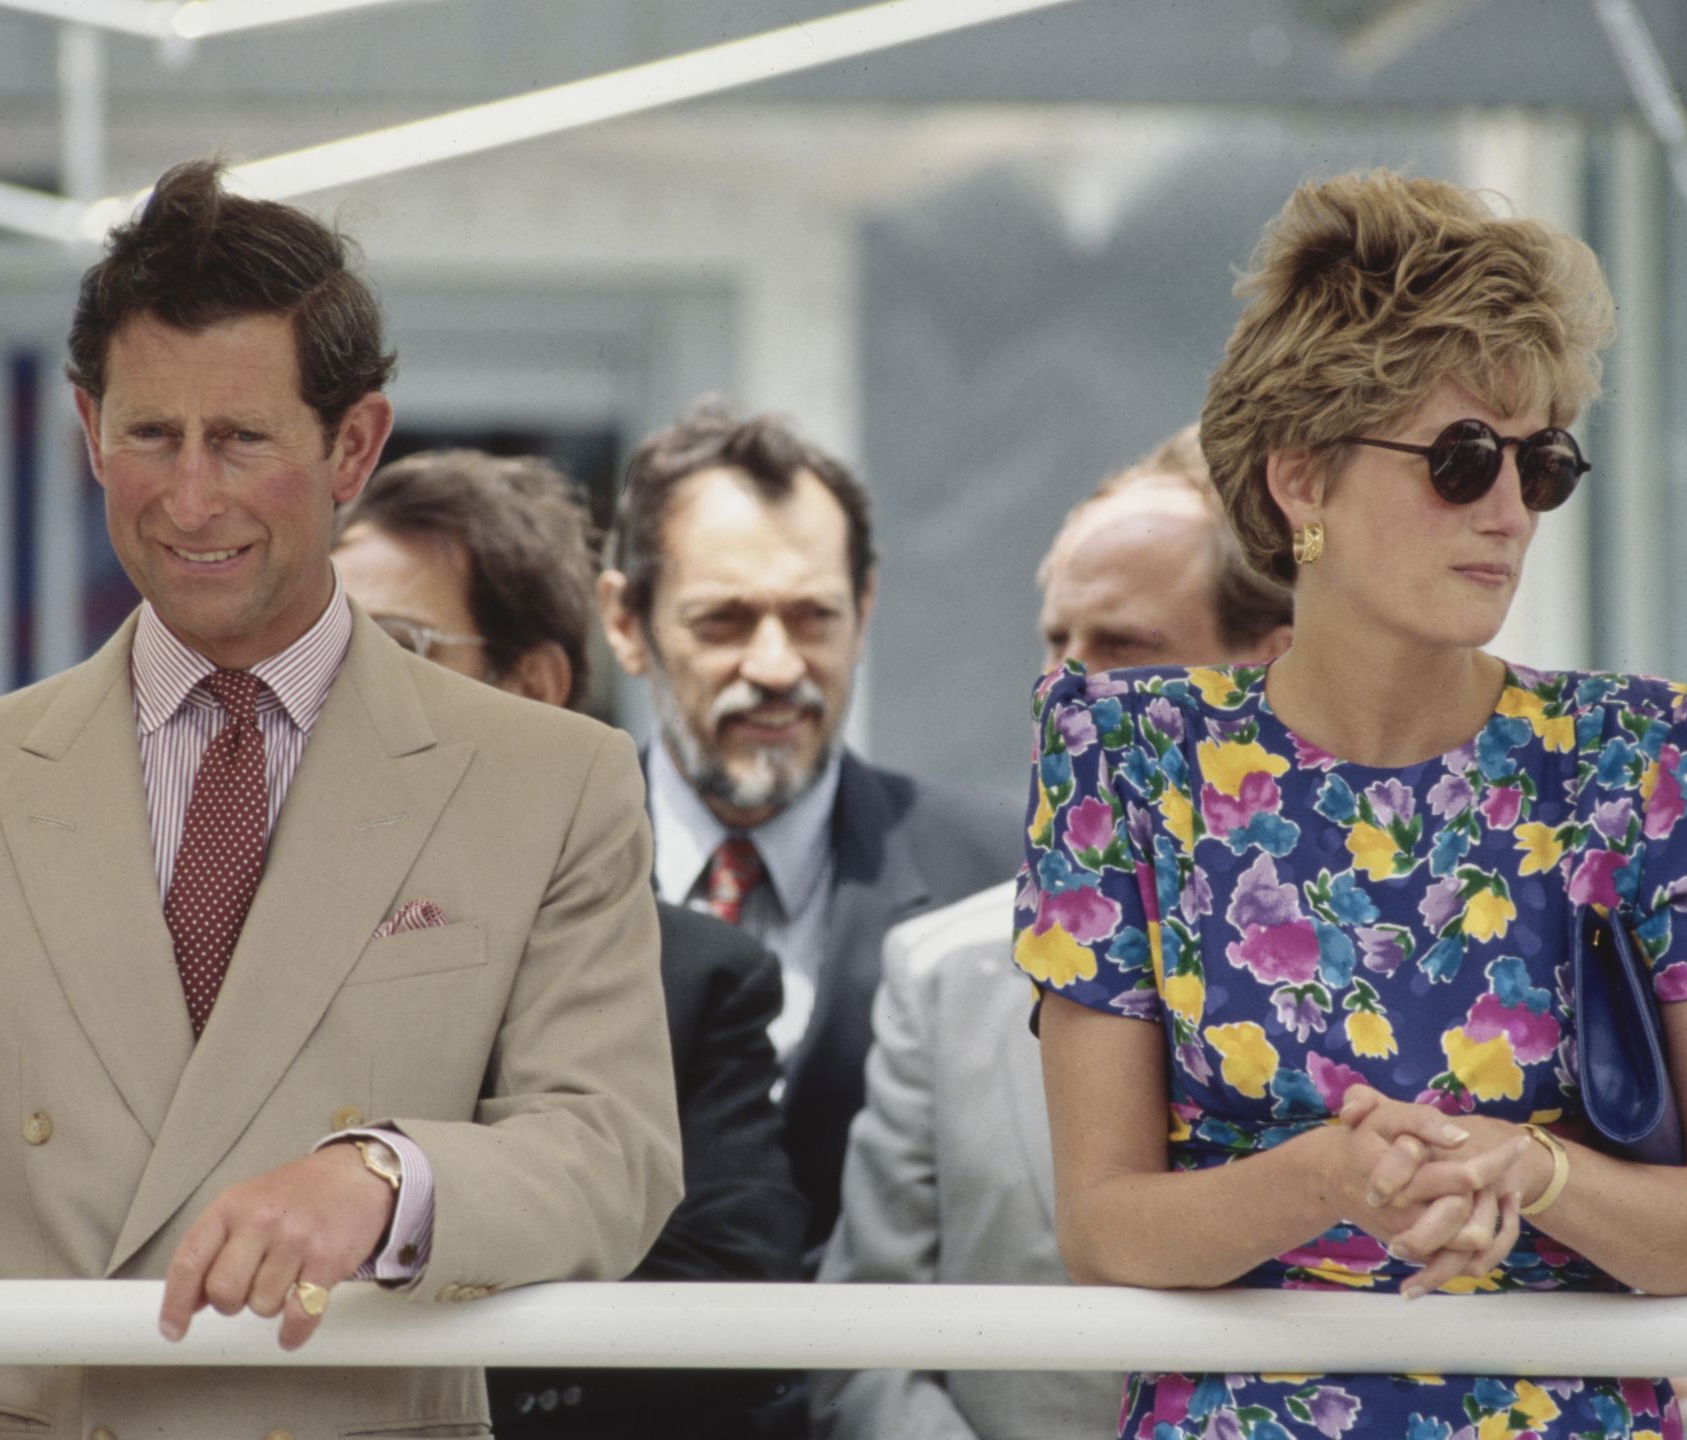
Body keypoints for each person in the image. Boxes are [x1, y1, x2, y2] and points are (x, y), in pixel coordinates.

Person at [0, 161, 682, 1440]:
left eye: (243, 439)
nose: (190, 498)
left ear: (354, 446)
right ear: (89, 429)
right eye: (152, 436)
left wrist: (382, 1178)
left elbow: (608, 1152)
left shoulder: (551, 779)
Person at [1022, 170, 1687, 1440]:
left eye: (1541, 463)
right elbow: (1104, 1224)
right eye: (1457, 460)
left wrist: (1534, 1170)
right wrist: (1329, 1176)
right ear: (1299, 480)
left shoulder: (1647, 759)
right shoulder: (1124, 757)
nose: (1507, 510)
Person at [813, 428, 1292, 1440]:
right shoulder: (941, 975)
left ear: (1267, 667)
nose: (1061, 691)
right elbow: (864, 1352)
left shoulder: (1390, 961)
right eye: (1054, 643)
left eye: (1118, 648)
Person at [332, 448, 810, 1437]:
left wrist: (404, 1226)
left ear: (533, 685)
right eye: (316, 654)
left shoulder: (689, 976)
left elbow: (725, 1308)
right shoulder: (218, 945)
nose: (336, 696)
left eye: (396, 647)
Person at [597, 401, 1023, 1252]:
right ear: (625, 622)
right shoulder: (543, 877)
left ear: (865, 611)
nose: (776, 666)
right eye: (722, 621)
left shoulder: (1002, 877)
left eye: (812, 618)